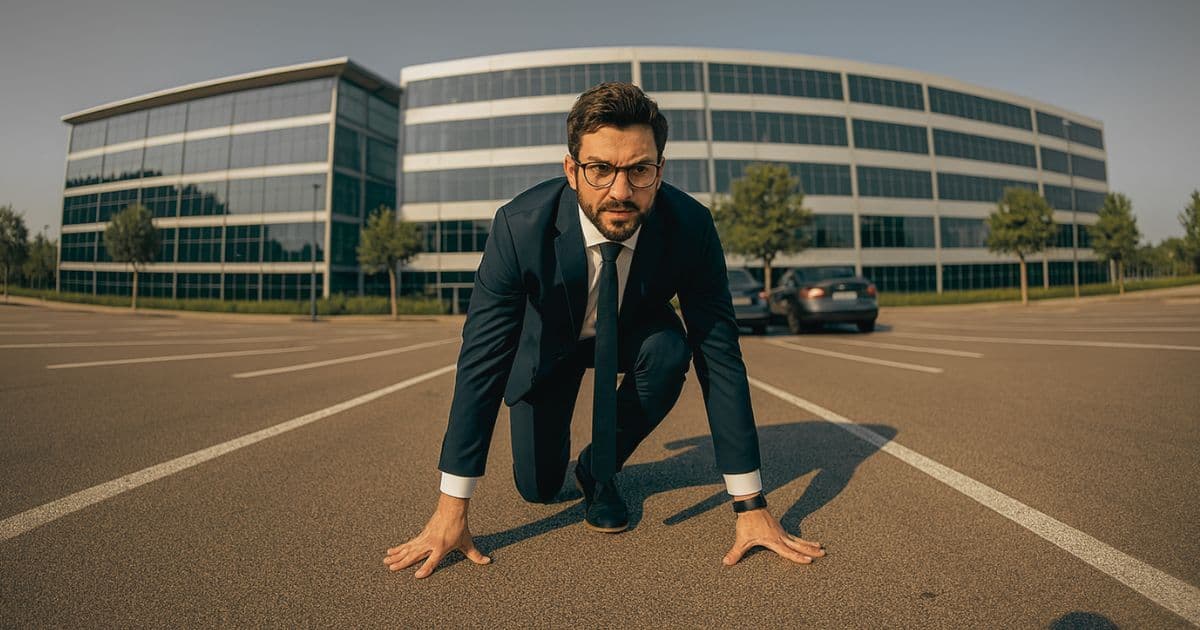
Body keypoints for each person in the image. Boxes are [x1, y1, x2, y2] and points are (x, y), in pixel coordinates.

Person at [383, 82, 825, 578]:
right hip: (549, 348)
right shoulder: (519, 227)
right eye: (600, 169)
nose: (620, 191)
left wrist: (751, 506)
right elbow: (481, 362)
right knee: (538, 489)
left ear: (660, 170)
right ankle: (561, 465)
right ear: (572, 170)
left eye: (639, 170)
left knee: (670, 350)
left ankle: (598, 468)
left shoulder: (691, 227)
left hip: (634, 335)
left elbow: (719, 356)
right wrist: (451, 509)